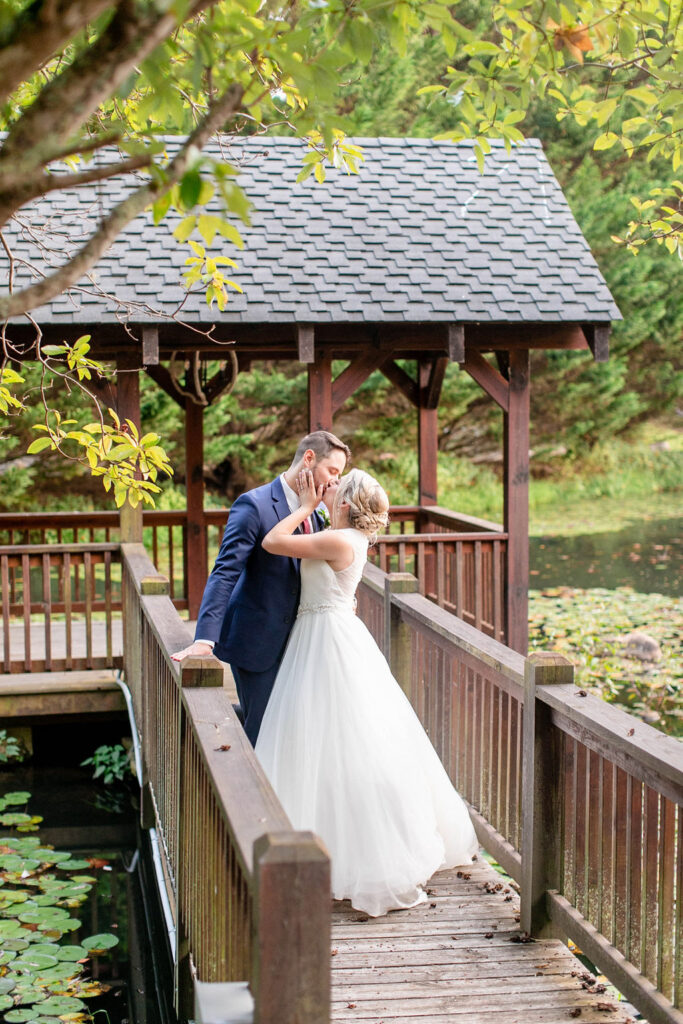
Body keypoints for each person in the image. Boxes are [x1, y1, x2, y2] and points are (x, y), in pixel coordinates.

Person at [255, 467, 479, 917]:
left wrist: (302, 507)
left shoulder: (339, 540)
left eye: (336, 484)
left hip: (327, 640)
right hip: (322, 632)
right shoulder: (342, 537)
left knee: (343, 740)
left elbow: (272, 543)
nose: (328, 485)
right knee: (327, 742)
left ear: (344, 501)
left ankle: (357, 853)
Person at [172, 430, 350, 744]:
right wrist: (204, 639)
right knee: (264, 732)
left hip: (303, 643)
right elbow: (225, 573)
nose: (335, 481)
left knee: (299, 731)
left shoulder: (322, 510)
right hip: (257, 642)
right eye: (332, 471)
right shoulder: (254, 505)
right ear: (308, 459)